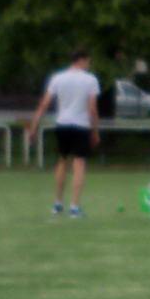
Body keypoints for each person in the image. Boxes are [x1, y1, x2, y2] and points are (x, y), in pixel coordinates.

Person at [24, 49, 101, 217]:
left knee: (62, 161)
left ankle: (58, 203)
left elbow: (44, 104)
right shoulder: (90, 80)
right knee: (79, 164)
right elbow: (92, 109)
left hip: (62, 124)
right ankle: (74, 206)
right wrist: (95, 131)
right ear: (81, 60)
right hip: (81, 125)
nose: (89, 65)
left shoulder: (57, 78)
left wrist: (34, 126)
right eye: (88, 61)